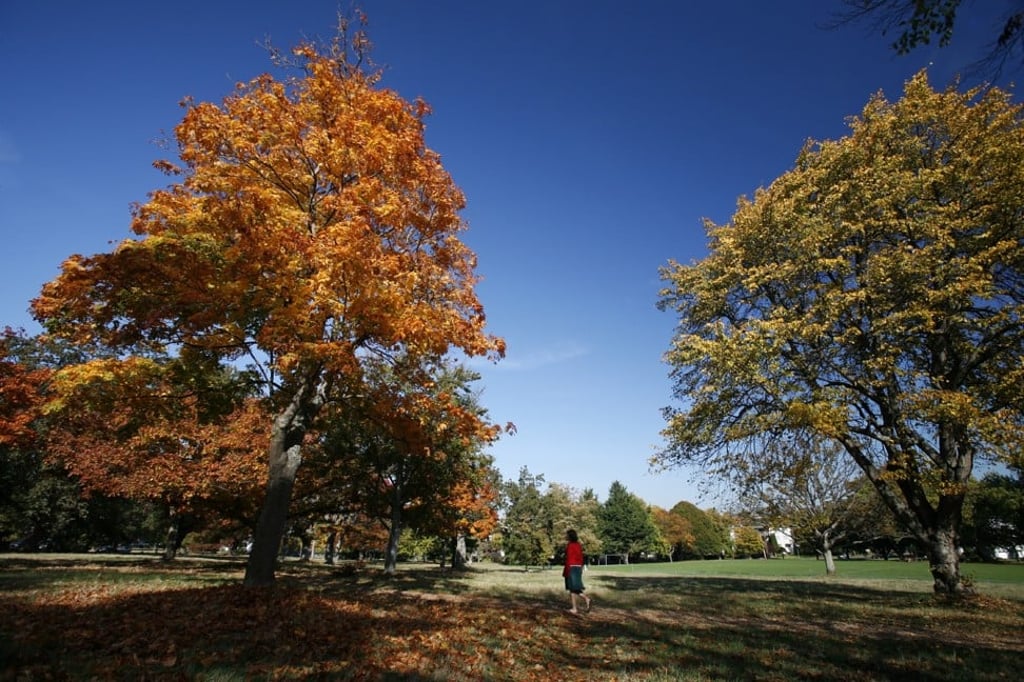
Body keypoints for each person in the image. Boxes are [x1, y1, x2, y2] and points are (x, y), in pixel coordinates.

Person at [562, 529, 591, 615]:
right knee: (574, 588)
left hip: (571, 567)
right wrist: (581, 568)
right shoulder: (578, 545)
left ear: (569, 536)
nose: (565, 536)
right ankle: (584, 601)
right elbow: (581, 557)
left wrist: (566, 571)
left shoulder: (570, 545)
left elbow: (569, 559)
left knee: (572, 588)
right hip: (578, 567)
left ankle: (576, 607)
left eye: (567, 535)